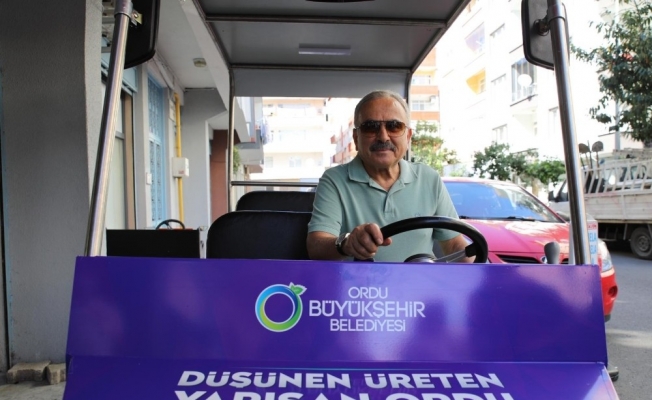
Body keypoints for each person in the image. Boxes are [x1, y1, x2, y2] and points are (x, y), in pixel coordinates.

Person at [306, 90, 474, 263]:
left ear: (408, 136)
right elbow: (316, 246)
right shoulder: (334, 180)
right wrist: (346, 244)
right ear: (356, 138)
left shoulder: (429, 178)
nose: (383, 136)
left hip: (420, 280)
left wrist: (484, 273)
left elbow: (455, 245)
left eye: (394, 126)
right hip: (357, 281)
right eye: (371, 127)